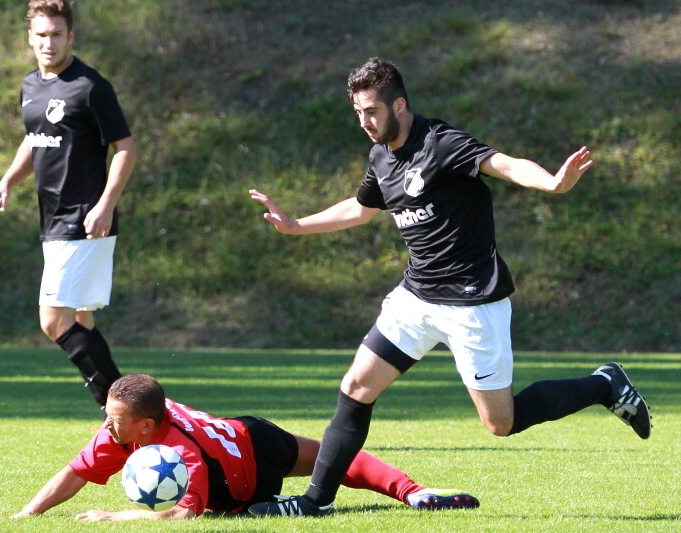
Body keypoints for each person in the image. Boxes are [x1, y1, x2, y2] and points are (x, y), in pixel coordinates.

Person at [247, 57, 652, 517]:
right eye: (357, 112)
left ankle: (603, 385)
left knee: (501, 423)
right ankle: (315, 502)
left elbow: (503, 164)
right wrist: (297, 225)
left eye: (371, 111)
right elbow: (361, 208)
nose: (364, 122)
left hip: (472, 303)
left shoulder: (440, 143)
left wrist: (554, 184)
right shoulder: (381, 156)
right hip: (416, 298)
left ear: (399, 105)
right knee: (357, 386)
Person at [11, 373, 479, 521]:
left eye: (113, 419)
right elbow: (75, 471)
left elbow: (182, 516)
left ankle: (414, 493)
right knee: (334, 460)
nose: (105, 425)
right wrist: (28, 514)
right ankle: (411, 491)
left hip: (254, 452)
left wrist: (113, 517)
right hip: (244, 436)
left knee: (333, 460)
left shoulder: (179, 453)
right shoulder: (124, 428)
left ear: (146, 425)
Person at [0, 0, 136, 411]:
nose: (48, 43)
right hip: (52, 219)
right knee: (82, 319)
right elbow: (35, 138)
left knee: (53, 320)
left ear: (71, 36)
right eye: (41, 35)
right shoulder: (31, 85)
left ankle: (125, 411)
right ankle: (124, 414)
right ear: (29, 38)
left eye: (56, 34)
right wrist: (7, 181)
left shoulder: (90, 87)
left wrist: (106, 205)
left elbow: (125, 147)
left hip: (84, 218)